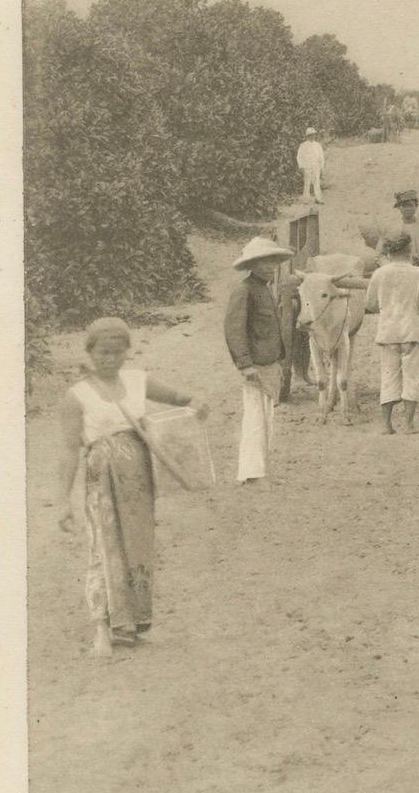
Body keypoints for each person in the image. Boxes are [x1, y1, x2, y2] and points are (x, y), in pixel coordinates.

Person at [48, 319, 206, 656]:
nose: (110, 359)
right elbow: (68, 451)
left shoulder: (137, 380)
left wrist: (196, 403)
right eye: (103, 352)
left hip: (139, 480)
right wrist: (63, 501)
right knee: (103, 548)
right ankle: (101, 629)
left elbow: (179, 397)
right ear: (90, 352)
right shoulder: (76, 396)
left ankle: (130, 624)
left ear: (126, 353)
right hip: (101, 481)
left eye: (117, 352)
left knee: (138, 547)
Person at [223, 237, 294, 483]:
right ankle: (251, 473)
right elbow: (234, 329)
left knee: (266, 419)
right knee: (255, 419)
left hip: (268, 364)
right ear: (251, 265)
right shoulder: (244, 291)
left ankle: (260, 470)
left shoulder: (264, 289)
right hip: (255, 367)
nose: (270, 267)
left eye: (272, 262)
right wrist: (245, 364)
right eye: (263, 263)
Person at [360, 232, 419, 434]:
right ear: (409, 251)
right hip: (412, 332)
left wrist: (386, 310)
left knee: (388, 376)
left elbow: (370, 304)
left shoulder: (379, 274)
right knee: (412, 377)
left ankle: (386, 425)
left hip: (388, 333)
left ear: (389, 253)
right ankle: (409, 424)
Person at [295, 128, 324, 204]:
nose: (312, 136)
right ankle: (306, 199)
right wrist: (301, 166)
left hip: (316, 166)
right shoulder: (303, 145)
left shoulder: (318, 145)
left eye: (313, 135)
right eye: (310, 135)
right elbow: (299, 157)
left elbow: (321, 157)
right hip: (307, 166)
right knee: (307, 183)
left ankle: (318, 198)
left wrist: (321, 167)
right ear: (307, 136)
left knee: (316, 182)